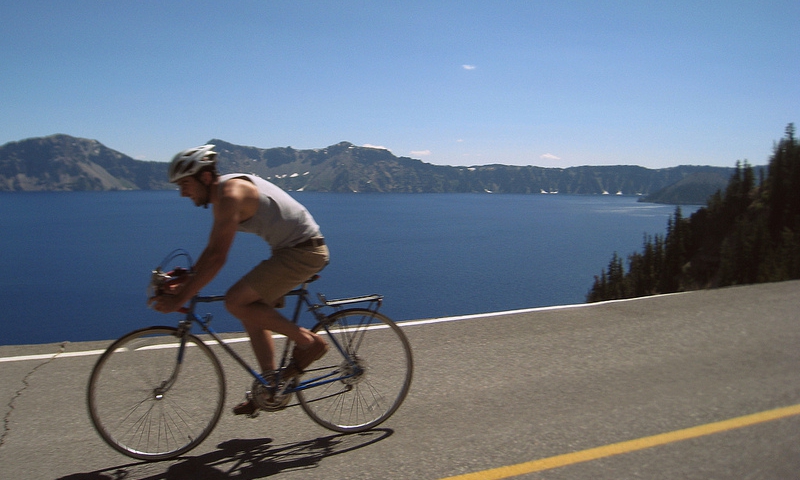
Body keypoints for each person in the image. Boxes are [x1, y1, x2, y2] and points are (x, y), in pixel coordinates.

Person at [149, 144, 330, 416]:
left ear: (205, 177)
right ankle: (272, 386)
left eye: (185, 184)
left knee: (236, 301)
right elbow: (211, 251)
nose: (183, 192)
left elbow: (218, 258)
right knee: (251, 310)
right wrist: (185, 281)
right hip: (292, 250)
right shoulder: (222, 194)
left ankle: (310, 342)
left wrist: (181, 298)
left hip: (304, 252)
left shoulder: (230, 194)